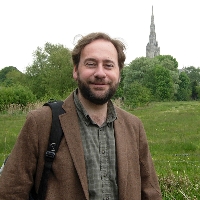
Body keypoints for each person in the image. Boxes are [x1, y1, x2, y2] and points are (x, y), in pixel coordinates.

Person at [0, 32, 162, 199]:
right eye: (91, 64)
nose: (100, 73)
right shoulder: (41, 122)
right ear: (76, 70)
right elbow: (10, 193)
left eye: (108, 65)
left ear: (119, 73)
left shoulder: (134, 126)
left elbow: (150, 193)